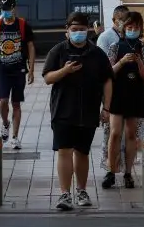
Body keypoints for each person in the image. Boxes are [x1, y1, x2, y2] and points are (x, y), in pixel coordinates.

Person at [43, 12, 113, 210]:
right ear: (67, 32)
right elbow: (48, 78)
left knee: (82, 152)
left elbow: (107, 80)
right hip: (63, 109)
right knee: (64, 151)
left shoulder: (97, 53)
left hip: (88, 110)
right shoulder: (58, 51)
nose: (78, 33)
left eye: (82, 29)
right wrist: (64, 71)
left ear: (88, 30)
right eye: (74, 30)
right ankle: (64, 194)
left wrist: (106, 107)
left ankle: (81, 190)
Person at [102, 11, 144, 190]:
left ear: (141, 29)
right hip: (118, 94)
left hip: (136, 94)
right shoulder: (115, 47)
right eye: (129, 27)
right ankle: (111, 171)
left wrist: (139, 62)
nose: (132, 30)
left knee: (131, 134)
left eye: (136, 28)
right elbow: (108, 73)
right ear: (123, 28)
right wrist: (122, 62)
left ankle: (128, 173)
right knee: (115, 133)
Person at [0, 0, 35, 150]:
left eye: (9, 9)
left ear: (14, 8)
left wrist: (31, 69)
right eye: (4, 9)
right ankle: (5, 123)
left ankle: (15, 137)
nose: (7, 12)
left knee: (16, 104)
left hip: (19, 69)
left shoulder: (22, 25)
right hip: (3, 69)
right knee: (2, 102)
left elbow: (31, 47)